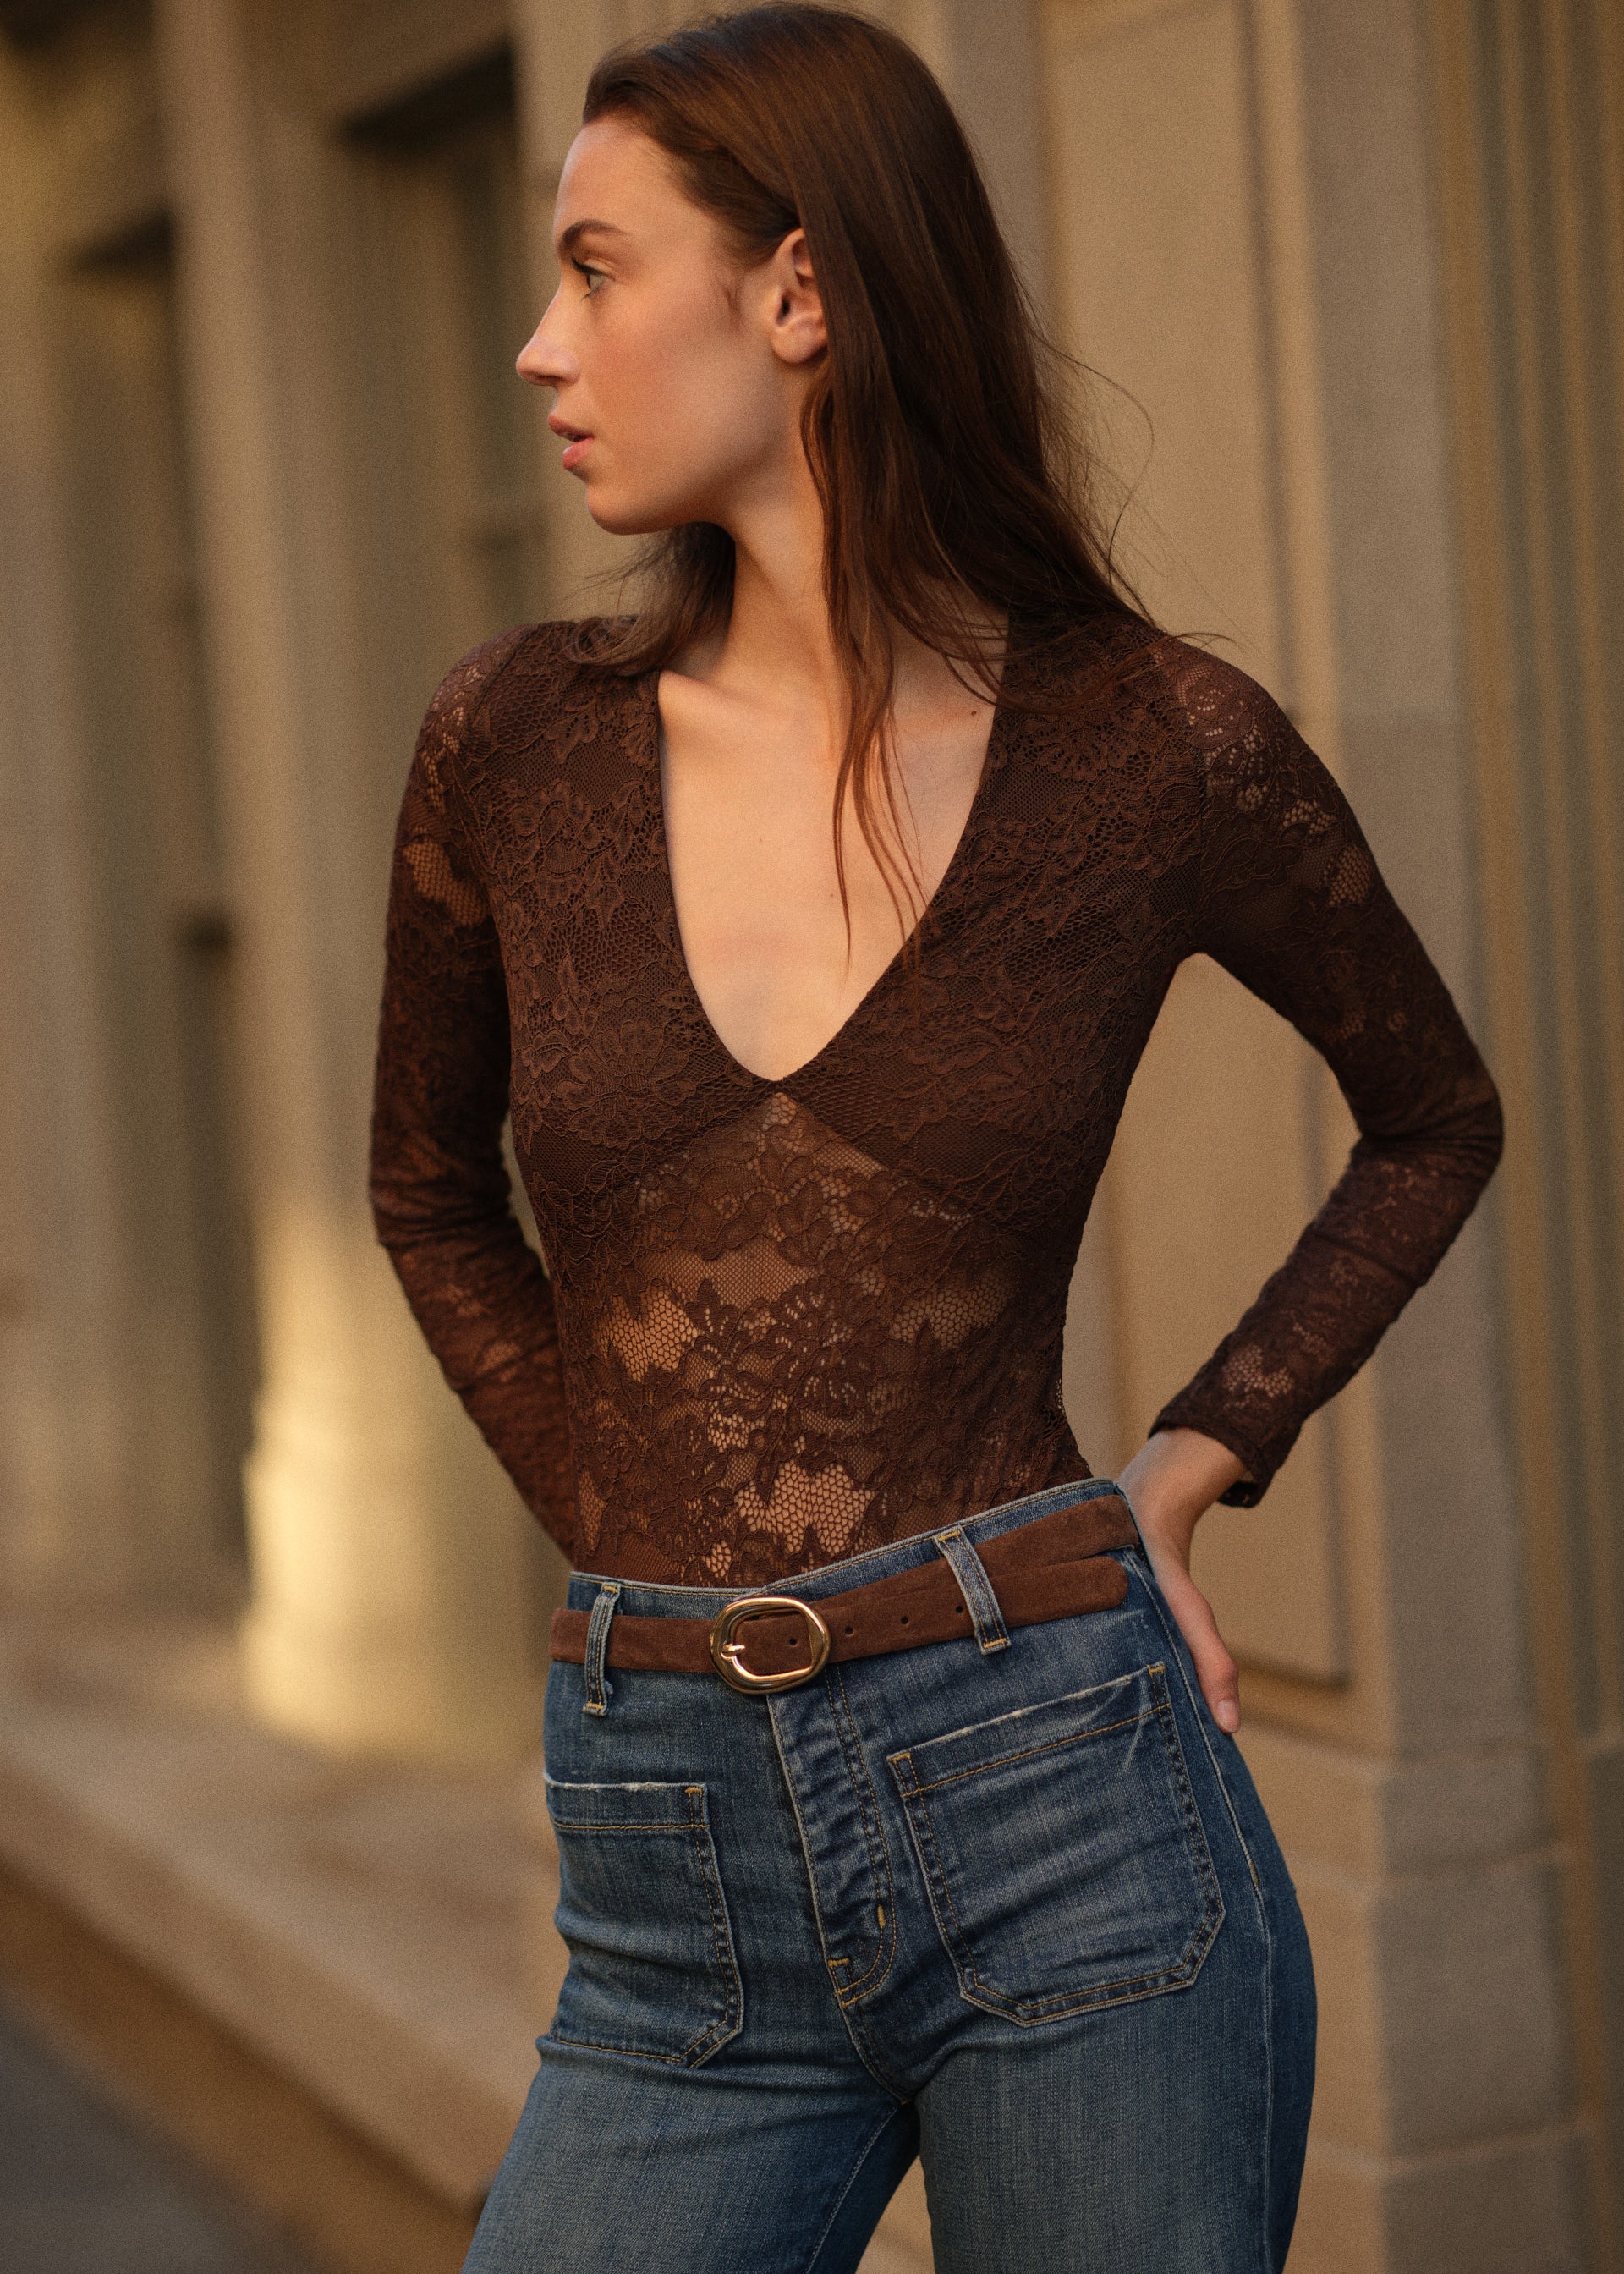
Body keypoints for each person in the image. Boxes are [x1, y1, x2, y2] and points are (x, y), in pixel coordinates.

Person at [368, 8, 1503, 2269]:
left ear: (797, 295)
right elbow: (427, 1196)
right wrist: (628, 1520)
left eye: (597, 269)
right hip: (666, 1861)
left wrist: (1192, 1463)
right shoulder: (516, 740)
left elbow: (1432, 1118)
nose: (535, 344)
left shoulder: (1155, 748)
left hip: (1066, 1809)